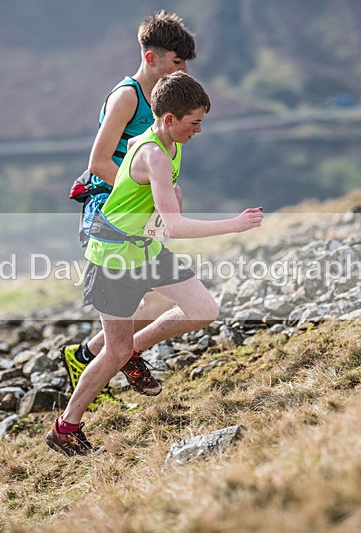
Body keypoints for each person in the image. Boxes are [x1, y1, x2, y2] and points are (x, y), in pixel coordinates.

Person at [47, 72, 264, 456]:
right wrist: (236, 223)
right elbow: (175, 226)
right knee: (112, 352)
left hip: (145, 250)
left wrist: (167, 193)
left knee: (202, 309)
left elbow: (138, 154)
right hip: (113, 259)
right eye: (194, 122)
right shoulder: (155, 155)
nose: (199, 130)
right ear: (168, 119)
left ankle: (134, 349)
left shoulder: (164, 143)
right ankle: (66, 427)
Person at [63, 10, 196, 411]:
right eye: (177, 61)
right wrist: (151, 190)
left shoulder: (161, 101)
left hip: (136, 211)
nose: (184, 69)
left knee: (157, 298)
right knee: (155, 294)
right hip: (109, 213)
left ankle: (92, 354)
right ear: (152, 58)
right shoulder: (127, 96)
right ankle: (116, 357)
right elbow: (99, 160)